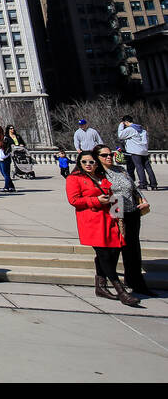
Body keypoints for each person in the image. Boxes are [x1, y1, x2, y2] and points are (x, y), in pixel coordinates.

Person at [66, 149, 137, 306]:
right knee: (104, 254)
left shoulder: (101, 177)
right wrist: (96, 200)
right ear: (79, 163)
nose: (88, 164)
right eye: (84, 162)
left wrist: (118, 216)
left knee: (111, 253)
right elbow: (74, 200)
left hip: (109, 220)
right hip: (92, 222)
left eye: (91, 162)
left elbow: (113, 196)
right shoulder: (74, 178)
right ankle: (121, 291)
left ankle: (100, 286)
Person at [95, 146, 154, 297]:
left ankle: (136, 282)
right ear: (97, 157)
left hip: (132, 210)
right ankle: (106, 281)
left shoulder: (120, 169)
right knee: (114, 248)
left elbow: (133, 187)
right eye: (104, 155)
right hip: (115, 207)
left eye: (110, 154)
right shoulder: (97, 173)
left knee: (133, 248)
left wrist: (144, 199)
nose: (109, 157)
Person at [117, 116, 158, 191]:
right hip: (144, 151)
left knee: (139, 167)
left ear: (126, 122)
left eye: (124, 123)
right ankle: (154, 184)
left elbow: (120, 136)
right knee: (148, 168)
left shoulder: (130, 129)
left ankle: (143, 184)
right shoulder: (142, 130)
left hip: (135, 151)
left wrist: (120, 126)